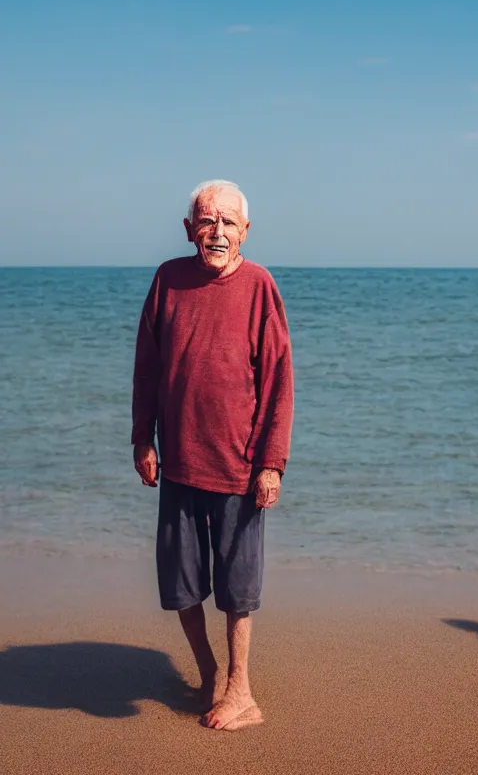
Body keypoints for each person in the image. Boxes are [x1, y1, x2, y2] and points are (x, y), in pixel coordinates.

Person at [131, 179, 294, 732]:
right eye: (207, 221)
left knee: (237, 589)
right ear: (188, 229)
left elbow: (278, 381)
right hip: (177, 460)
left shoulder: (259, 286)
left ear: (245, 230)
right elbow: (147, 368)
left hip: (239, 466)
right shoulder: (168, 280)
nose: (217, 231)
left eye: (228, 222)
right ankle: (208, 673)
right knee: (179, 583)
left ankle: (241, 689)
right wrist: (141, 438)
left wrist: (272, 462)